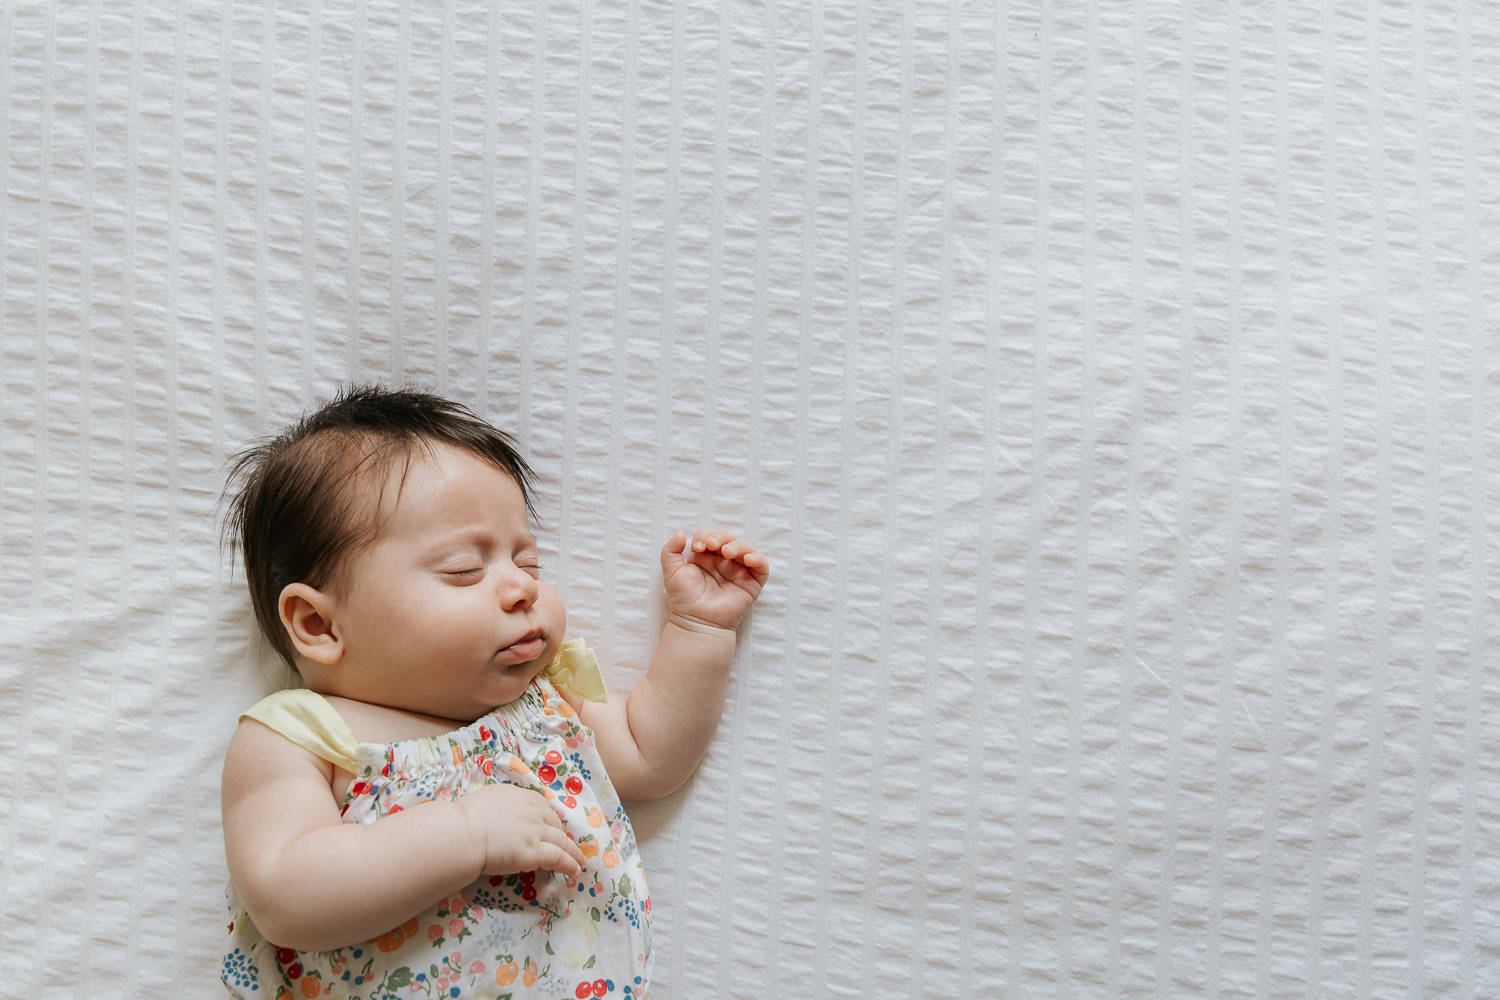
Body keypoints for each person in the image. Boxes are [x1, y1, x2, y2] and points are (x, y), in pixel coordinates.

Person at [218, 385, 769, 1000]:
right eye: (463, 570)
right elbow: (287, 898)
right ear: (319, 625)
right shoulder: (301, 736)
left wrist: (698, 631)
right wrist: (465, 835)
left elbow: (649, 754)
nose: (522, 590)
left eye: (528, 564)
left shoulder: (540, 712)